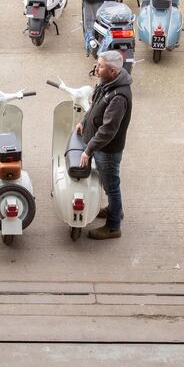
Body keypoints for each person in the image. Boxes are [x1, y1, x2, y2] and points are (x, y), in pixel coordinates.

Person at [76, 50, 133, 239]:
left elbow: (108, 130)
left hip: (107, 150)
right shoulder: (108, 82)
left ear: (114, 71)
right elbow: (94, 105)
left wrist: (88, 149)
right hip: (101, 147)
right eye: (98, 64)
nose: (96, 69)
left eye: (100, 66)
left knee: (111, 185)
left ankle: (113, 226)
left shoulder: (118, 97)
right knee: (110, 184)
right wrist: (84, 122)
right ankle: (114, 209)